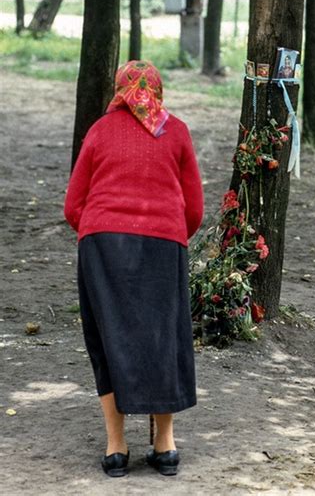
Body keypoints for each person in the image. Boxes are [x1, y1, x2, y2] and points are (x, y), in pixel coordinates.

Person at [64, 60, 204, 478]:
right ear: (157, 91)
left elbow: (73, 204)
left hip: (103, 244)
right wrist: (172, 232)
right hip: (163, 244)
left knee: (108, 338)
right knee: (164, 336)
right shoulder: (176, 130)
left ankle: (116, 447)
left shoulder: (99, 130)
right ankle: (165, 446)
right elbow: (194, 207)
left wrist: (97, 230)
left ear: (119, 91)